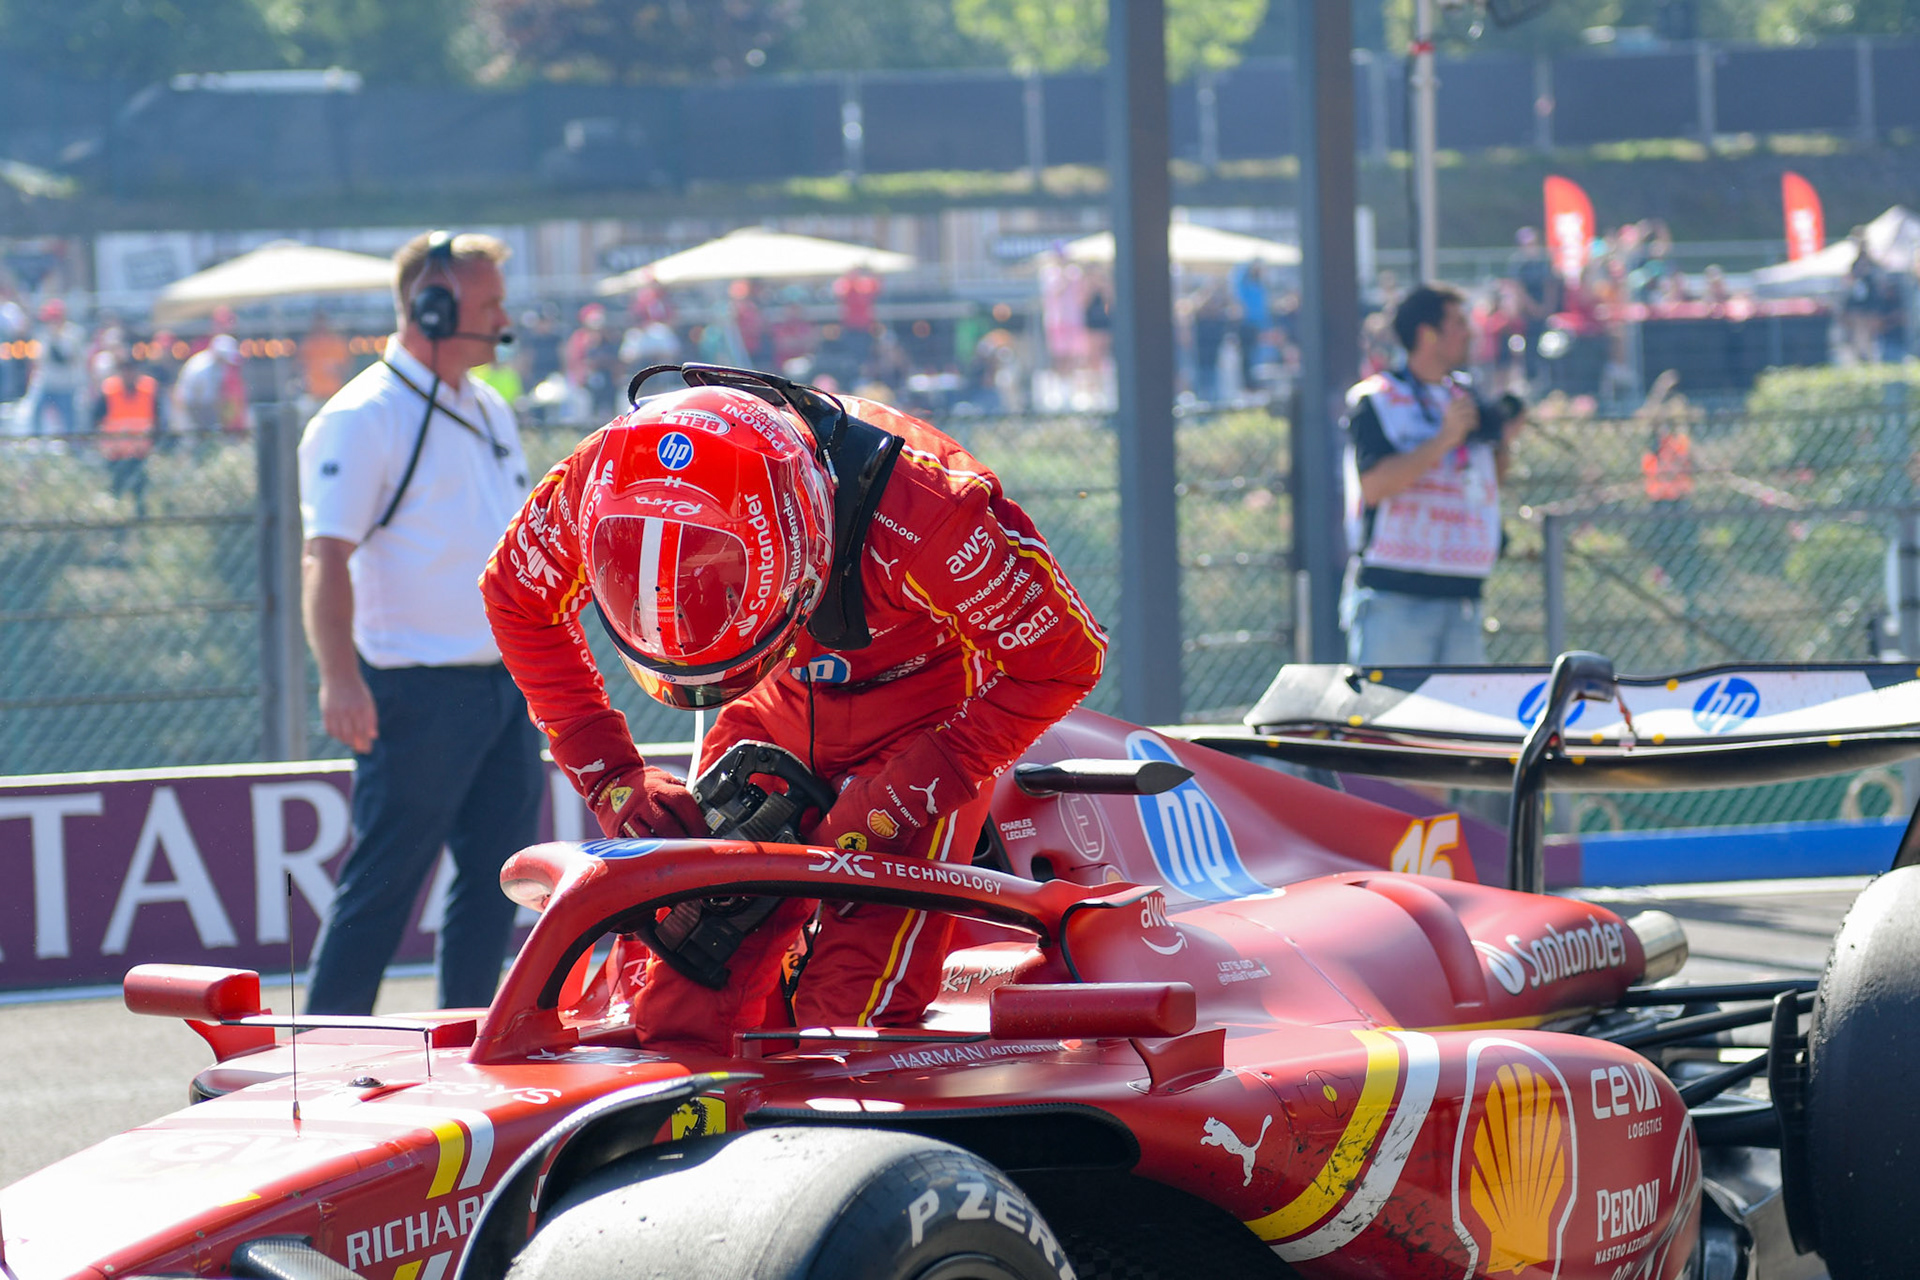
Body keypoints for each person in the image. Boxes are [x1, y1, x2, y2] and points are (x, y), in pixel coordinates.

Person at [480, 367, 1107, 1054]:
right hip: (769, 706)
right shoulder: (604, 474)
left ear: (809, 546)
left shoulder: (927, 511)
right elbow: (515, 597)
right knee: (673, 980)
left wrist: (911, 788)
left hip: (922, 723)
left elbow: (1064, 657)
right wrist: (609, 774)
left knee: (851, 1021)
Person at [296, 231, 541, 1015]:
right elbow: (324, 558)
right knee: (383, 891)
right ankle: (326, 1055)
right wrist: (339, 677)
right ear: (432, 308)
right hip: (414, 691)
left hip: (502, 686)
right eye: (490, 302)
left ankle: (469, 1042)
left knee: (495, 886)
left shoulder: (491, 406)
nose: (504, 315)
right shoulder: (361, 418)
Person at [1341, 283, 1526, 666]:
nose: (1470, 333)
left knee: (1459, 726)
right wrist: (1444, 438)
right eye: (1458, 322)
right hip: (1396, 595)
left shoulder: (1466, 395)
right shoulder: (1377, 398)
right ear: (1427, 334)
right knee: (1388, 721)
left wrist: (1504, 439)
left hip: (1463, 594)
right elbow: (1375, 486)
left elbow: (1490, 480)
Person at [93, 348, 163, 518]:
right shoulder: (109, 390)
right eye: (124, 369)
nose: (128, 373)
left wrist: (154, 444)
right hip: (115, 455)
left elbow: (158, 419)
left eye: (131, 368)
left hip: (140, 455)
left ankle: (141, 528)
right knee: (115, 495)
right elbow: (96, 420)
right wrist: (103, 445)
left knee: (141, 497)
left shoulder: (149, 389)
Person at [172, 334, 249, 435]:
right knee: (194, 438)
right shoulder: (203, 367)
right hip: (189, 407)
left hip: (200, 406)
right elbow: (204, 401)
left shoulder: (218, 366)